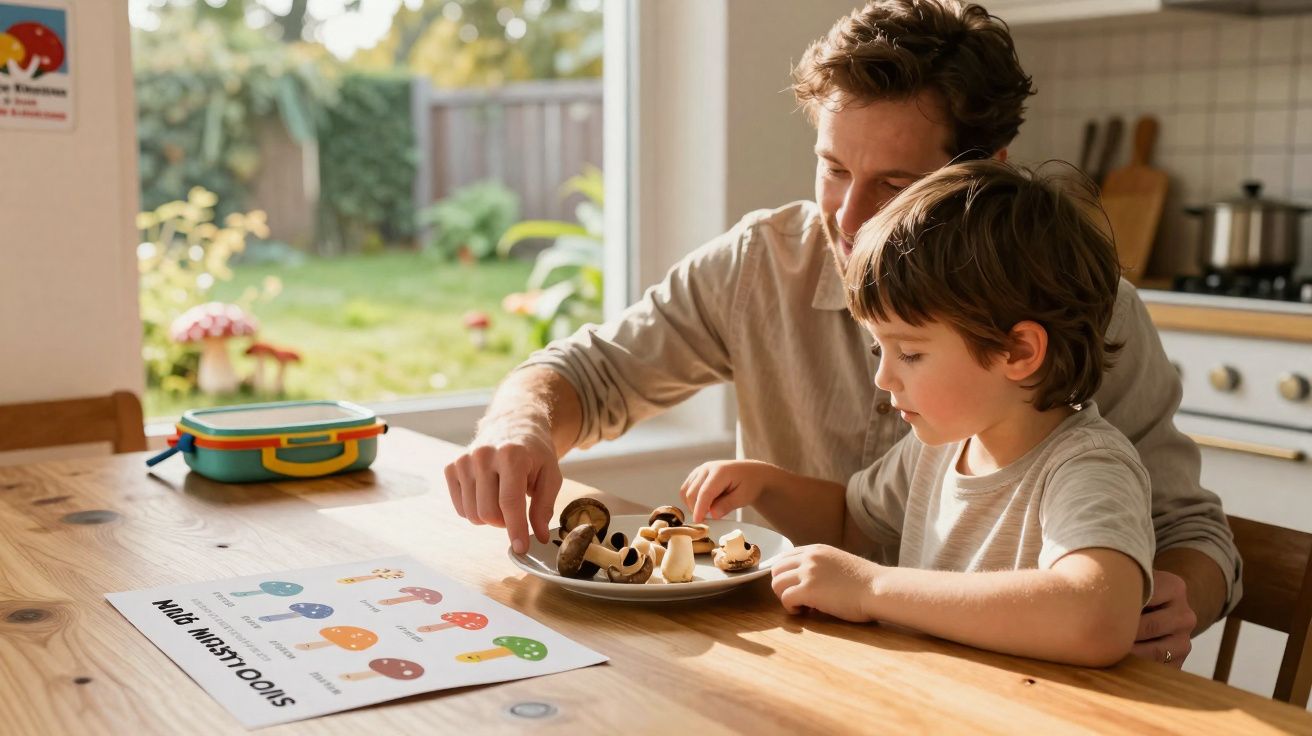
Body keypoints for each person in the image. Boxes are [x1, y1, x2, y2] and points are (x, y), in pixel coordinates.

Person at [443, 0, 1240, 667]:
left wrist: (1177, 591)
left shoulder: (1085, 311)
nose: (849, 218)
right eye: (832, 168)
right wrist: (521, 427)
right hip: (830, 671)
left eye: (895, 184)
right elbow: (589, 374)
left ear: (985, 170)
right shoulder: (764, 261)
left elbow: (1182, 533)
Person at [682, 160, 1154, 666]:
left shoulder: (1086, 467)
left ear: (1017, 351)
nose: (884, 378)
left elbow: (1097, 617)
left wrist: (873, 588)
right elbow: (849, 522)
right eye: (878, 350)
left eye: (909, 353)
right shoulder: (942, 447)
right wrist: (765, 485)